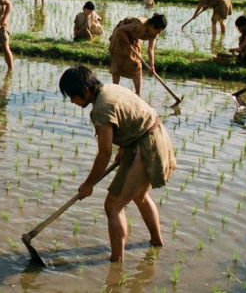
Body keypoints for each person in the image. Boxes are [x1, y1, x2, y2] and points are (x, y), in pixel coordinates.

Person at [60, 65, 176, 262]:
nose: (72, 101)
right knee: (140, 196)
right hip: (153, 138)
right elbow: (131, 117)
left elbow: (104, 154)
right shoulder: (109, 89)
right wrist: (123, 149)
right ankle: (156, 242)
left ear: (85, 90)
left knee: (113, 206)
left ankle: (116, 261)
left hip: (145, 146)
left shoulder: (102, 108)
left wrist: (88, 184)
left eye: (72, 96)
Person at [108, 14, 167, 96]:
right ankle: (115, 91)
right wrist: (127, 42)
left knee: (137, 64)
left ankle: (138, 94)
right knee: (117, 62)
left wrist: (152, 66)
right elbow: (121, 29)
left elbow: (150, 49)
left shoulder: (154, 33)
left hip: (133, 37)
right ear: (153, 25)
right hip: (120, 36)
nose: (159, 32)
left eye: (161, 30)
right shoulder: (139, 24)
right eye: (159, 30)